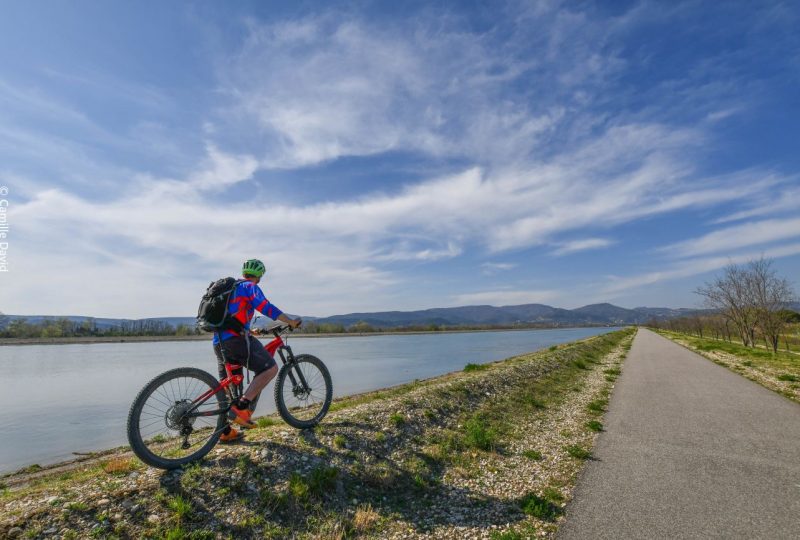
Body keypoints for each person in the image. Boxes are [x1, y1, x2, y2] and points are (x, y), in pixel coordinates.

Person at [213, 258, 301, 443]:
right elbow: (266, 307)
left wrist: (248, 330)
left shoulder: (230, 289)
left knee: (230, 385)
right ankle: (243, 407)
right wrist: (290, 321)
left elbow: (231, 316)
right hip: (236, 341)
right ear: (259, 276)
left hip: (219, 341)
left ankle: (225, 431)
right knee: (269, 368)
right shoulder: (248, 287)